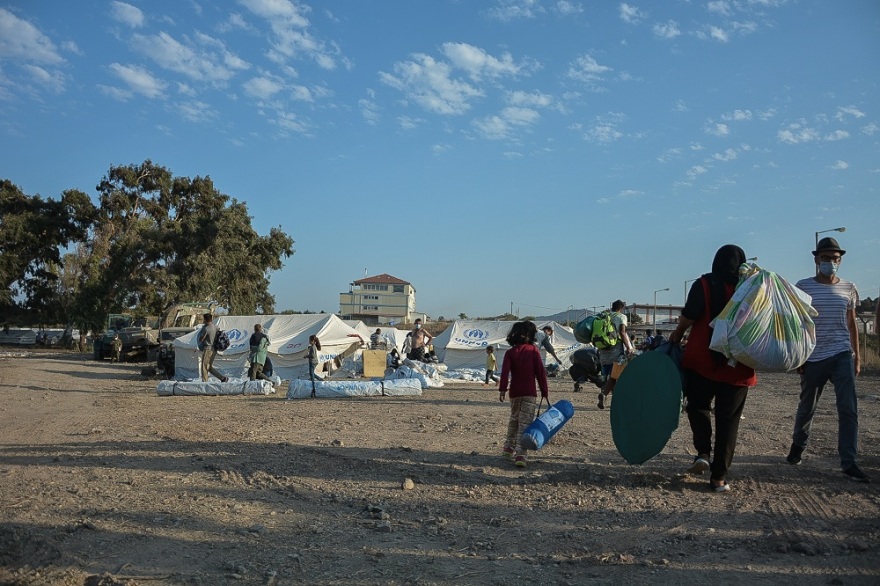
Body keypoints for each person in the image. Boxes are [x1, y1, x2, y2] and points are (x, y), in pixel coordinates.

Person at [669, 244, 757, 493]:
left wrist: (677, 334)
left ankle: (703, 453)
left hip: (703, 361)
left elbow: (689, 315)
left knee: (698, 407)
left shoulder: (704, 284)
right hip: (738, 364)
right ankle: (719, 478)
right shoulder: (750, 288)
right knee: (728, 421)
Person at [787, 237, 868, 482]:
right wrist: (799, 356)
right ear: (816, 260)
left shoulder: (849, 288)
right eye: (826, 258)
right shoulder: (803, 287)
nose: (831, 262)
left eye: (835, 259)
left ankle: (849, 462)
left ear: (840, 261)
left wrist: (856, 357)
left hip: (842, 353)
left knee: (848, 408)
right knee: (807, 406)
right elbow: (797, 324)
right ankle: (798, 445)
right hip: (813, 356)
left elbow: (851, 324)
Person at [499, 321, 549, 468]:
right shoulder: (533, 351)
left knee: (514, 419)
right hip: (529, 392)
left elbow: (504, 373)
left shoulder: (510, 353)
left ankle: (508, 447)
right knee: (525, 423)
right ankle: (521, 453)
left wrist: (502, 389)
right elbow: (540, 373)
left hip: (514, 392)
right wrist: (544, 391)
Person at [597, 300, 635, 409]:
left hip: (603, 349)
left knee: (611, 375)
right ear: (621, 308)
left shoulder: (605, 316)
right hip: (616, 349)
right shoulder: (621, 317)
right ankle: (604, 394)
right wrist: (629, 347)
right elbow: (622, 332)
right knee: (615, 376)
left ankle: (615, 401)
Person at [197, 313, 228, 383]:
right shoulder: (216, 327)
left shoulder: (206, 329)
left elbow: (201, 339)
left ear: (205, 320)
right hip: (214, 348)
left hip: (208, 348)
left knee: (204, 366)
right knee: (209, 367)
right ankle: (222, 378)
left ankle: (205, 382)